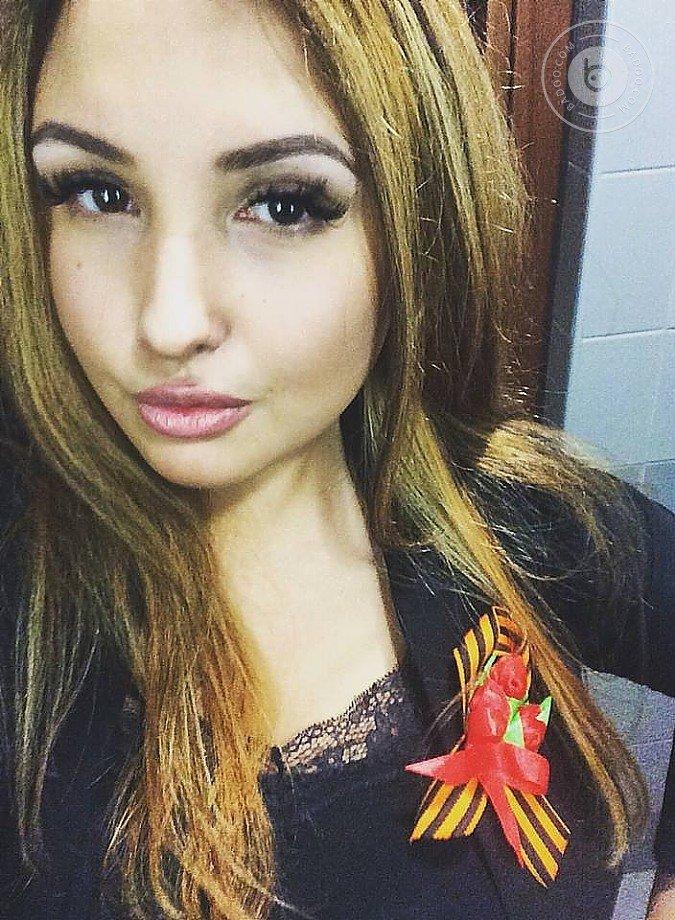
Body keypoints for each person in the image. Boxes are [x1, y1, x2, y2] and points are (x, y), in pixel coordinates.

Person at [0, 1, 672, 918]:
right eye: (97, 193)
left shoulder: (516, 515)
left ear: (415, 227)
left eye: (283, 204)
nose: (167, 321)